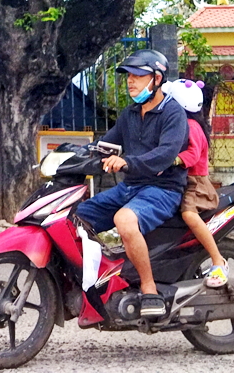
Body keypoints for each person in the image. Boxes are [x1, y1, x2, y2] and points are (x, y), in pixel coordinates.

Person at [74, 49, 189, 319]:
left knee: (124, 221)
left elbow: (165, 155)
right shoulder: (130, 114)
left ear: (157, 78)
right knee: (75, 218)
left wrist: (126, 162)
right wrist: (75, 153)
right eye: (129, 76)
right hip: (131, 188)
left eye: (138, 75)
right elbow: (106, 144)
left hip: (163, 189)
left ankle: (150, 290)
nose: (131, 81)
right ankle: (103, 278)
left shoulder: (173, 113)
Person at [162, 79, 228, 288]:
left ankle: (218, 260)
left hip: (195, 184)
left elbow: (192, 154)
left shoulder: (191, 127)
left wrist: (172, 159)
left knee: (189, 214)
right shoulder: (182, 124)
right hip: (181, 182)